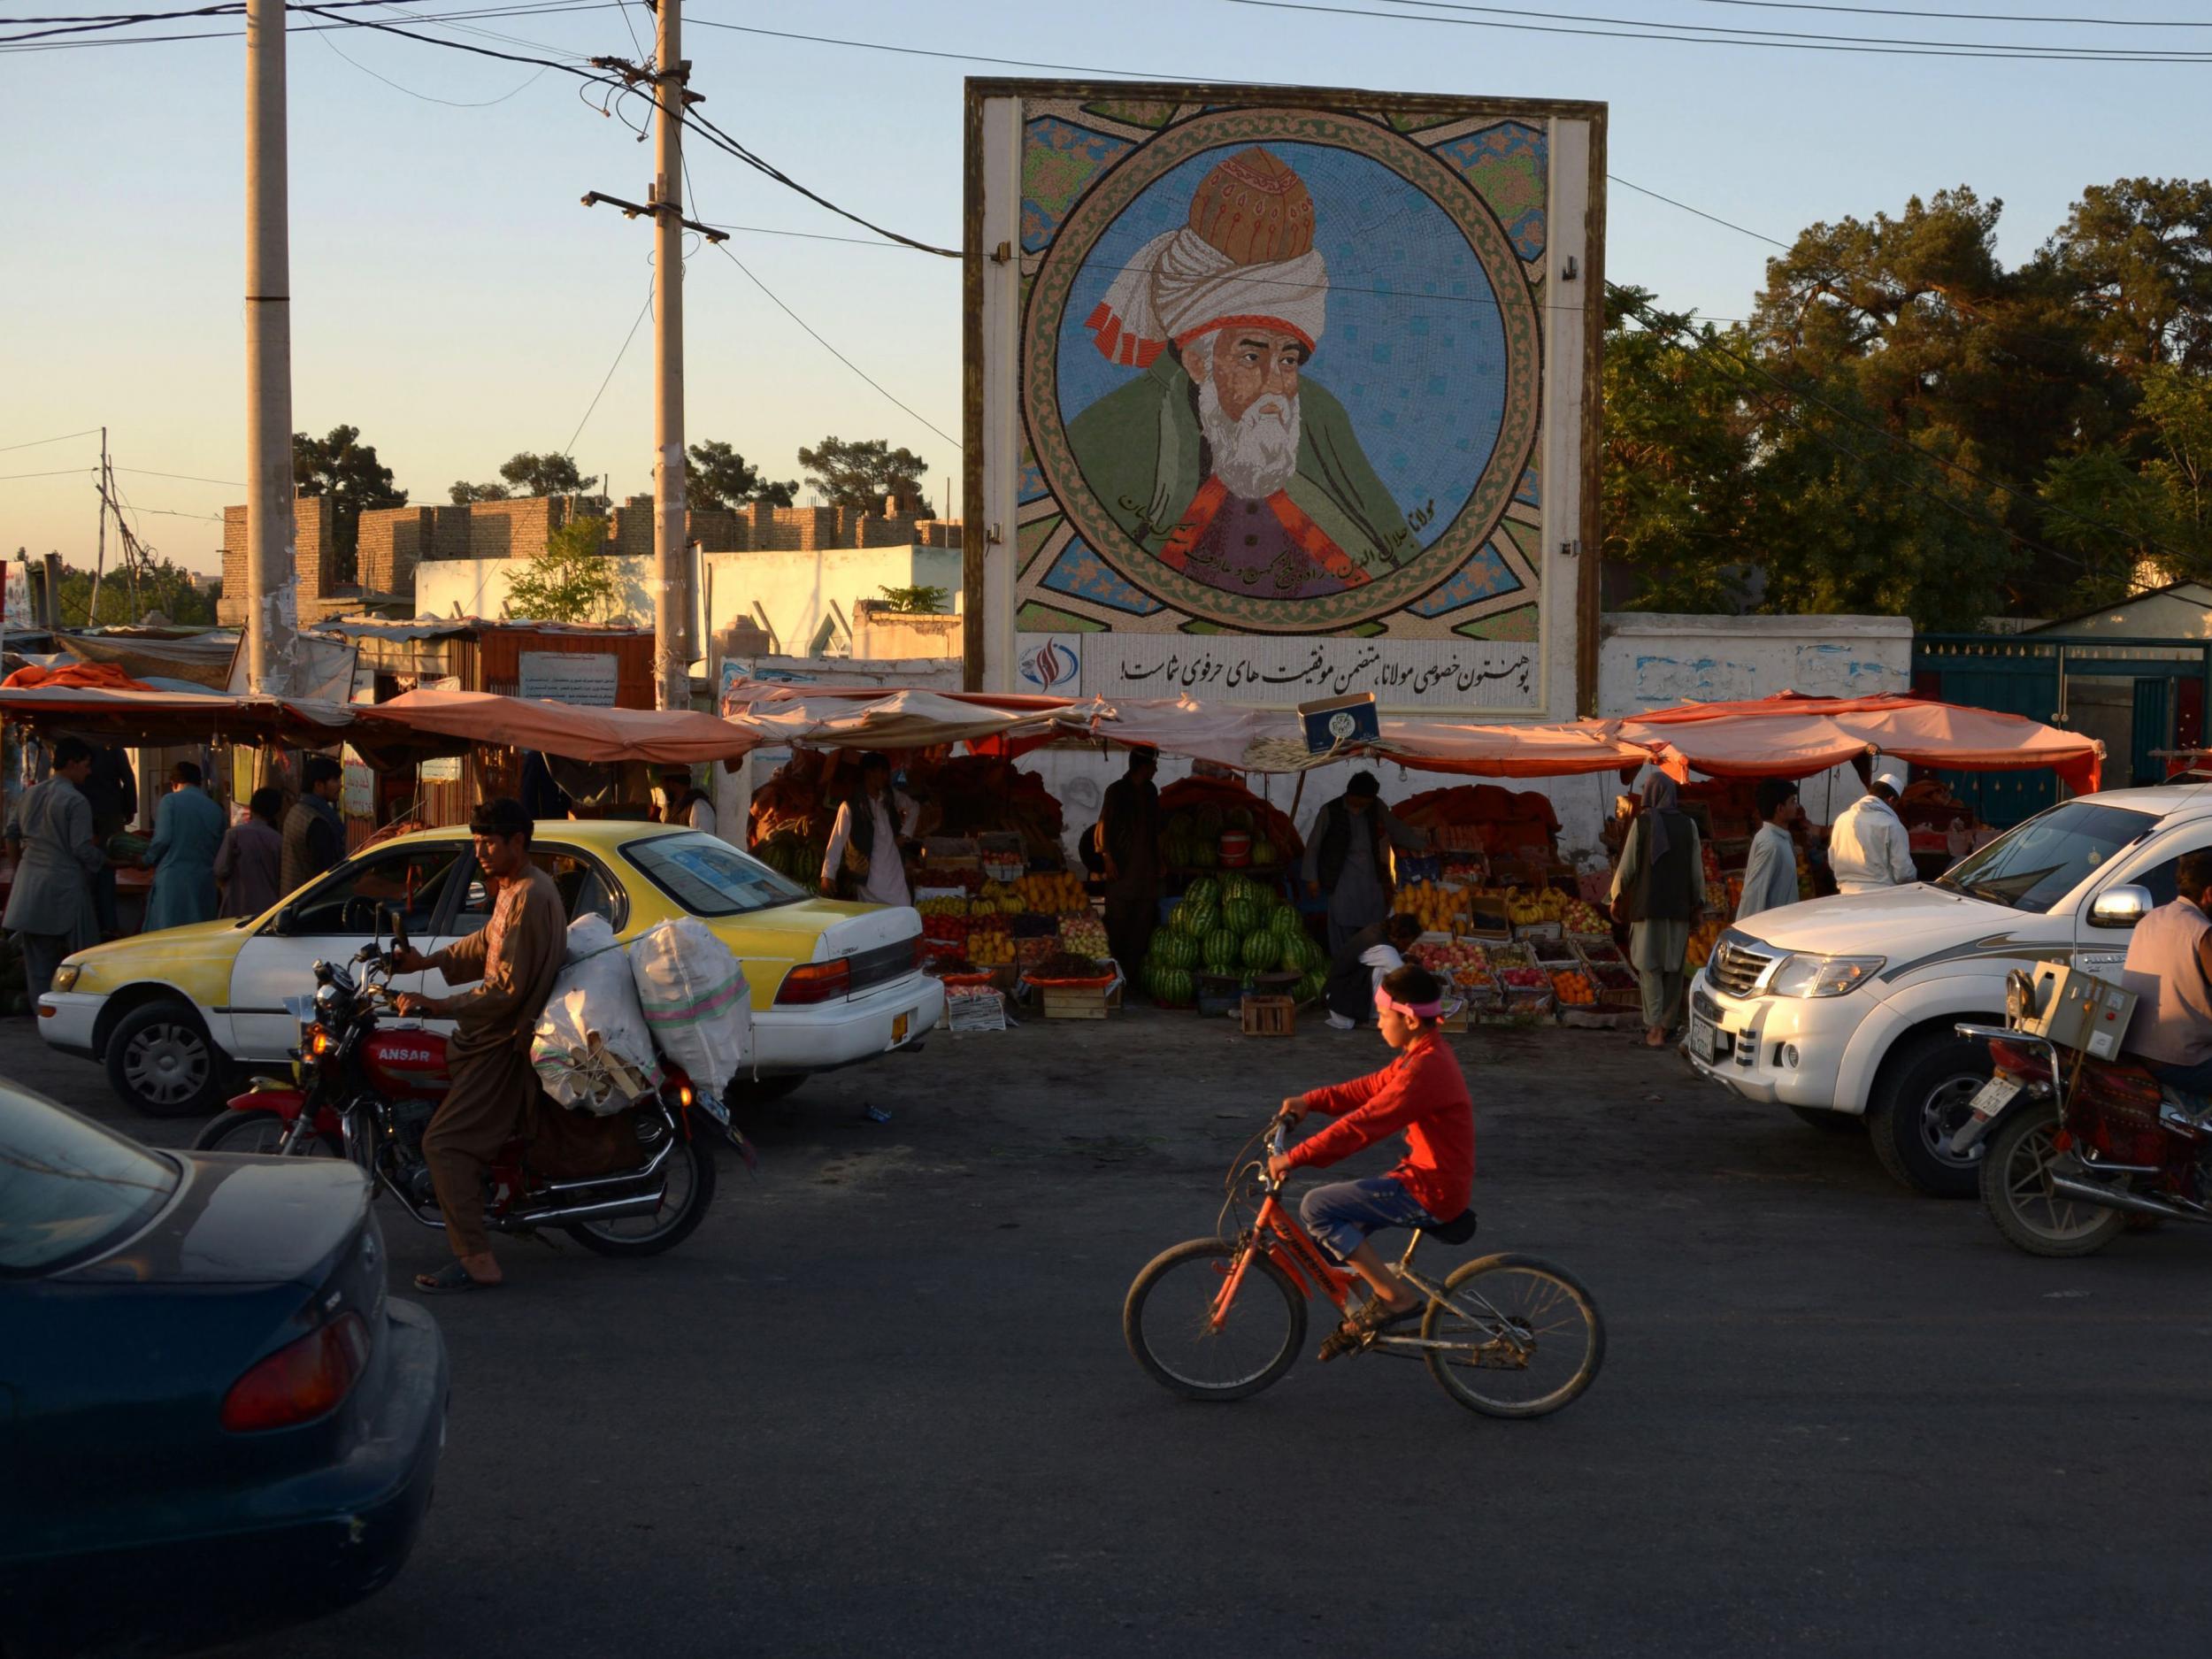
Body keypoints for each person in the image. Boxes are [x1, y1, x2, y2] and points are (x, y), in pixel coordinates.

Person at [1068, 147, 1417, 596]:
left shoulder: (1321, 416)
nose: (1277, 383)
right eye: (1252, 358)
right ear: (1197, 360)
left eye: (1288, 360)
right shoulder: (1111, 429)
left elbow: (1392, 552)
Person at [386, 798, 567, 1293]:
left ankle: (477, 1260)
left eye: (490, 841)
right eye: (478, 841)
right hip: (484, 1035)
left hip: (501, 1041)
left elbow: (505, 989)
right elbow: (484, 945)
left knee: (443, 1145)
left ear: (518, 842)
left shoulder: (530, 893)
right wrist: (423, 964)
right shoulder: (511, 890)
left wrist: (435, 1006)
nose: (481, 851)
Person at [1266, 963, 1474, 1355]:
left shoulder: (1424, 1070)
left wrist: (1294, 1157)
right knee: (1333, 1240)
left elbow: (1363, 1125)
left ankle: (1393, 1297)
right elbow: (1368, 1088)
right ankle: (1365, 1308)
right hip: (1426, 1178)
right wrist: (1311, 1101)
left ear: (1409, 1020)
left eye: (1383, 1015)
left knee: (1318, 1207)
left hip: (1431, 1190)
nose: (1379, 1023)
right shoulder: (1420, 1055)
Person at [3, 737, 105, 1002]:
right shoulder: (75, 800)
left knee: (37, 962)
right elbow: (81, 848)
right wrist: (104, 861)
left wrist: (19, 870)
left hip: (29, 885)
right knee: (84, 956)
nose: (88, 771)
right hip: (65, 886)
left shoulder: (30, 794)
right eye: (86, 765)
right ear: (72, 763)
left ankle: (42, 1011)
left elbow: (11, 835)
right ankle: (79, 1010)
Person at [1610, 772, 1705, 1050]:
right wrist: (1698, 906)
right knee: (1673, 970)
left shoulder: (1643, 823)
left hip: (1647, 908)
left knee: (1649, 967)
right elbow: (1696, 871)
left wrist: (1615, 896)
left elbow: (1626, 865)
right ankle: (1666, 1025)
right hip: (1678, 909)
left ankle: (1654, 1029)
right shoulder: (1689, 826)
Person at [1302, 771, 1428, 956]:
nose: (1362, 806)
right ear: (1350, 794)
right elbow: (1313, 846)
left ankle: (1371, 962)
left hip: (1369, 873)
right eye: (1360, 801)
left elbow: (1396, 828)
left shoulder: (1376, 807)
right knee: (1343, 921)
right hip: (1341, 875)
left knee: (1373, 920)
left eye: (1367, 802)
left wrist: (1423, 846)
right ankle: (1343, 963)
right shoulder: (1330, 810)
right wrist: (1312, 879)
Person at [2119, 851, 2212, 1095]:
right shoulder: (2202, 932)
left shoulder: (2150, 919)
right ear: (2209, 894)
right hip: (2184, 1062)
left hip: (2136, 1051)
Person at [1094, 746, 1163, 972]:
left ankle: (1134, 974)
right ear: (1143, 766)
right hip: (1122, 868)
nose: (1156, 769)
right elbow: (1104, 824)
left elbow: (1156, 830)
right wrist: (1107, 857)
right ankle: (1115, 972)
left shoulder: (1151, 791)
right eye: (1153, 764)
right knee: (1118, 923)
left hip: (1146, 868)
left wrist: (1160, 859)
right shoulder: (1117, 791)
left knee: (1143, 922)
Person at [820, 752, 920, 907]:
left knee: (903, 909)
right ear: (869, 773)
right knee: (873, 916)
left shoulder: (890, 796)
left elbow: (914, 807)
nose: (886, 777)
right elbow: (837, 841)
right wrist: (828, 875)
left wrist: (905, 834)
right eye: (882, 772)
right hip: (867, 875)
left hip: (894, 872)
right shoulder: (850, 806)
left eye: (886, 773)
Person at [141, 760, 225, 931]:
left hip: (173, 882)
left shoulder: (169, 801)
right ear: (199, 782)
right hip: (204, 883)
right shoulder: (215, 808)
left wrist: (146, 859)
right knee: (199, 937)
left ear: (173, 783)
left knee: (169, 939)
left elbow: (162, 839)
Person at [1322, 911, 1423, 1032]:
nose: (1407, 947)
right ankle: (1371, 1015)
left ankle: (1373, 1013)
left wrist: (1404, 957)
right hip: (1340, 1000)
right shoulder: (1381, 947)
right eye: (1406, 943)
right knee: (1389, 974)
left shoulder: (1378, 930)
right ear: (1396, 937)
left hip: (1339, 991)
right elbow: (1403, 977)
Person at [1829, 758, 1916, 895]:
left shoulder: (1842, 819)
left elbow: (1833, 861)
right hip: (1880, 896)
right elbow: (1903, 873)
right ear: (1891, 800)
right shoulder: (1892, 825)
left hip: (1845, 892)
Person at [79, 744, 135, 939]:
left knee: (84, 867)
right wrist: (130, 809)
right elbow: (128, 778)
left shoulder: (73, 742)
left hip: (82, 812)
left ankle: (90, 923)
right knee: (106, 871)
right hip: (109, 812)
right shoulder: (112, 746)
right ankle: (109, 925)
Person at [213, 787, 286, 919]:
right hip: (268, 910)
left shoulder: (234, 835)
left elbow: (220, 869)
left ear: (252, 808)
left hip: (236, 908)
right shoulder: (278, 840)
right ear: (276, 812)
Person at [1736, 779, 1802, 923]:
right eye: (1792, 801)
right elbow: (1754, 893)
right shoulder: (1771, 844)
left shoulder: (1780, 839)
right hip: (1774, 928)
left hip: (1784, 925)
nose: (1797, 806)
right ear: (1780, 809)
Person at [280, 754, 346, 896]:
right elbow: (326, 873)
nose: (340, 785)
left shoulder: (297, 810)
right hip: (310, 903)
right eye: (335, 780)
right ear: (318, 785)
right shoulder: (317, 821)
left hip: (294, 898)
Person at [659, 767, 718, 838]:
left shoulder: (699, 806)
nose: (662, 788)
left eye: (663, 784)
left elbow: (705, 842)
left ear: (672, 784)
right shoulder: (670, 807)